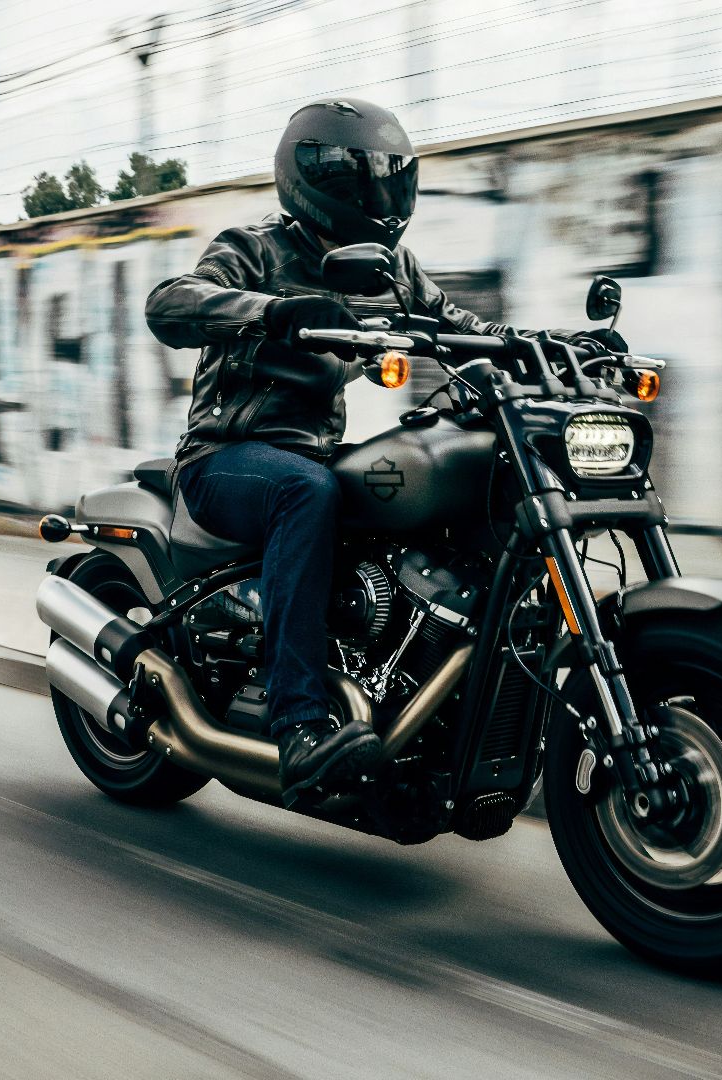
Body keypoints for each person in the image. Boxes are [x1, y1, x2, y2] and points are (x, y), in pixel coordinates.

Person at [144, 99, 607, 807]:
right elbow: (172, 303)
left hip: (312, 454)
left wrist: (541, 345)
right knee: (309, 493)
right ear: (315, 178)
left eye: (391, 179)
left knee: (431, 488)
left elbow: (459, 324)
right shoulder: (258, 248)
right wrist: (271, 310)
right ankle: (299, 723)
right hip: (227, 456)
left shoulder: (390, 269)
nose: (380, 196)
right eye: (363, 180)